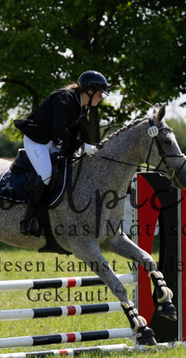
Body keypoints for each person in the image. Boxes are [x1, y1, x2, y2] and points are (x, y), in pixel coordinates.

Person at [14, 70, 109, 236]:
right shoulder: (63, 98)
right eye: (100, 93)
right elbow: (59, 130)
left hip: (52, 141)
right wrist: (84, 146)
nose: (101, 98)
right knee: (46, 175)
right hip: (36, 140)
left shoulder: (83, 107)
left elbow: (72, 133)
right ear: (90, 90)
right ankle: (28, 220)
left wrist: (79, 150)